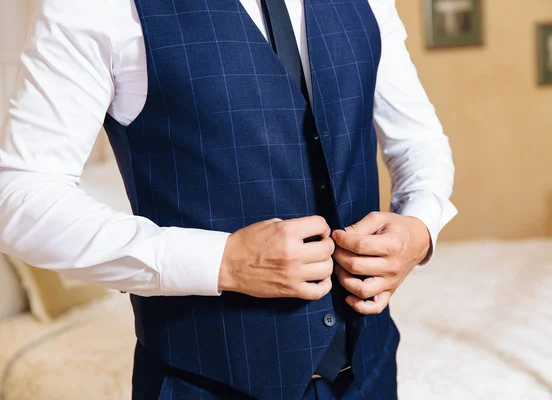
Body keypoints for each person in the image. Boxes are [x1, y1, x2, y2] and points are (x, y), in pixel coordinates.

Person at [0, 0, 456, 398]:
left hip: (371, 373)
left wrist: (421, 226)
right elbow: (20, 194)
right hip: (201, 383)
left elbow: (419, 142)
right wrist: (224, 261)